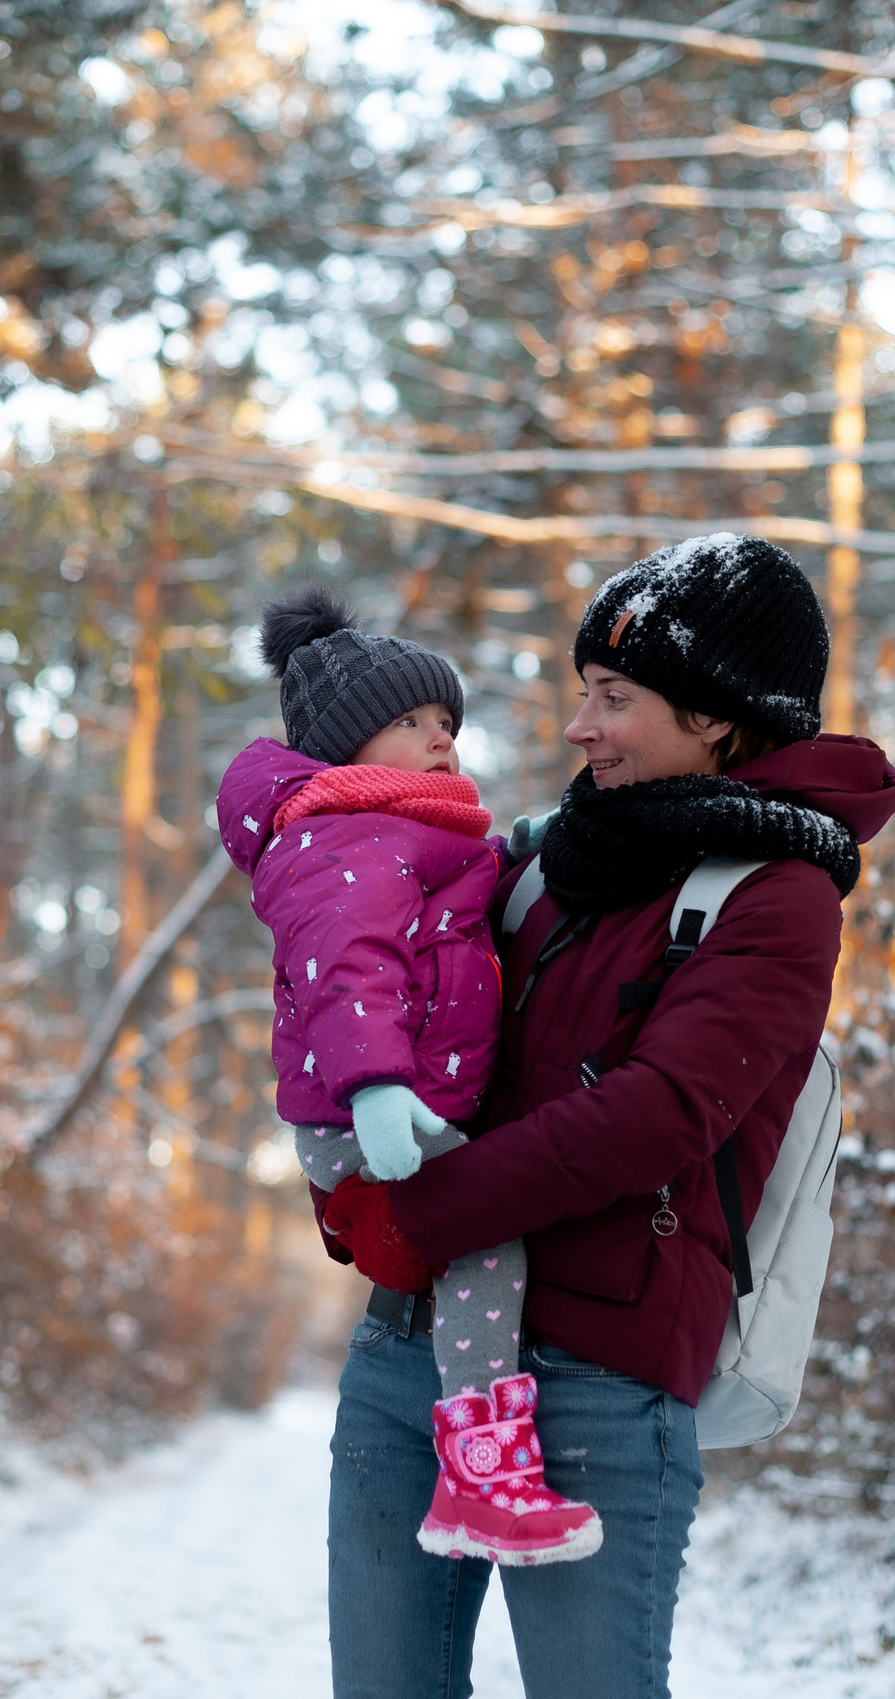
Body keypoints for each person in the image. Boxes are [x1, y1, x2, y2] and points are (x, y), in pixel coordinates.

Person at [315, 533, 895, 1699]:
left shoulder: (774, 897)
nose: (580, 726)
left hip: (599, 1375)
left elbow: (658, 1116)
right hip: (412, 1352)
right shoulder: (541, 865)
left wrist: (417, 1210)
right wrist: (347, 1161)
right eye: (587, 691)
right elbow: (412, 1036)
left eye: (615, 697)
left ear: (720, 720)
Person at [215, 587, 604, 1567]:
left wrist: (517, 849)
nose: (439, 737)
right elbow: (346, 966)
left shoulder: (402, 827)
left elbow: (450, 901)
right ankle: (483, 1478)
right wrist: (375, 1086)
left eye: (445, 720)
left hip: (392, 1103)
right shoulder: (336, 839)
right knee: (485, 1247)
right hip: (371, 1104)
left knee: (464, 1243)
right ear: (348, 745)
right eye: (409, 722)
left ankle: (480, 1468)